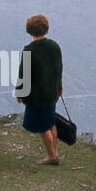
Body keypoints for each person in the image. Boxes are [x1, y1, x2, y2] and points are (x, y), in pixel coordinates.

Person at [15, 13, 63, 165]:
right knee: (50, 122)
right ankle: (54, 153)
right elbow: (59, 69)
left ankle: (52, 156)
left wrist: (20, 93)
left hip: (37, 95)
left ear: (29, 30)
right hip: (52, 91)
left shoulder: (29, 50)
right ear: (46, 28)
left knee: (43, 127)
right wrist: (59, 87)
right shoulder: (54, 46)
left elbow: (24, 74)